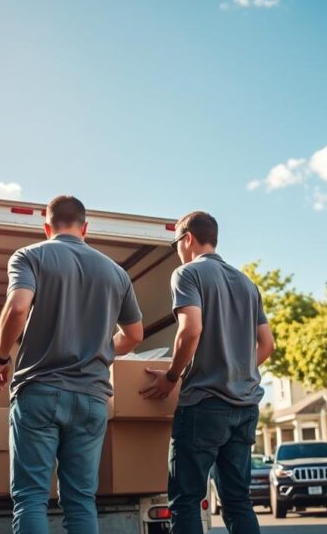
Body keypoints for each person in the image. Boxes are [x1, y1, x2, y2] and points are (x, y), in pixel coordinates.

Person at [0, 195, 144, 534]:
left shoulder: (30, 256)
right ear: (85, 227)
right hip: (92, 399)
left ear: (47, 227)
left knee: (31, 498)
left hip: (40, 392)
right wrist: (101, 350)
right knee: (81, 500)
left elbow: (17, 309)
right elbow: (134, 335)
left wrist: (2, 358)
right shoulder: (116, 273)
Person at [139, 211, 275, 534]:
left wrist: (172, 377)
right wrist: (237, 370)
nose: (177, 252)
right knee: (239, 501)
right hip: (244, 408)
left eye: (176, 244)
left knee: (186, 500)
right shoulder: (246, 283)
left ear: (187, 239)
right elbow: (267, 344)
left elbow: (191, 329)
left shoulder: (187, 274)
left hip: (203, 405)